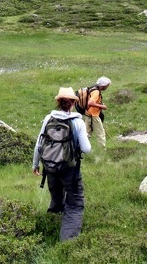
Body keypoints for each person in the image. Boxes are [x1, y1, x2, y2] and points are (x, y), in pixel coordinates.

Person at [33, 87, 91, 241]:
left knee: (57, 198)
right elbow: (86, 149)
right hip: (69, 170)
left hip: (50, 167)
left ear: (58, 102)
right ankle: (67, 241)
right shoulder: (77, 122)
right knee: (75, 204)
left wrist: (35, 164)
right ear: (73, 103)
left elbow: (39, 144)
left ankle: (51, 224)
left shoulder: (49, 118)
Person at [81, 76, 111, 149]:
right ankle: (102, 150)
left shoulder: (92, 88)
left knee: (86, 134)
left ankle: (81, 149)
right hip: (93, 115)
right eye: (107, 85)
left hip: (88, 114)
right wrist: (102, 106)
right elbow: (90, 103)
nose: (107, 87)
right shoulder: (96, 92)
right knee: (101, 134)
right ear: (103, 86)